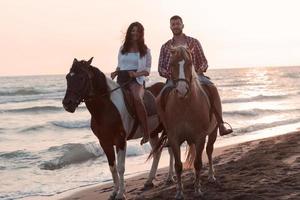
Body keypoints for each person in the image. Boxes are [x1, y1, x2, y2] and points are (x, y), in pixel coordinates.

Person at [158, 15, 232, 136]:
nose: (175, 26)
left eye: (178, 24)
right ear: (170, 27)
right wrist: (175, 76)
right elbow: (160, 68)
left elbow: (204, 61)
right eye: (173, 24)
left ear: (182, 25)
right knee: (159, 99)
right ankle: (167, 130)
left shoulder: (194, 42)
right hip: (174, 79)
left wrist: (197, 71)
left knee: (213, 89)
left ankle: (220, 124)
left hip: (196, 76)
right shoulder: (165, 47)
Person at [111, 22, 152, 145]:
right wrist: (115, 72)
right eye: (133, 31)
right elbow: (120, 65)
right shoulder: (122, 49)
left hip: (136, 80)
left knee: (136, 98)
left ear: (141, 34)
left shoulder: (145, 51)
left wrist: (136, 75)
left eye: (137, 31)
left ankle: (146, 132)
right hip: (122, 78)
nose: (135, 33)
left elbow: (147, 71)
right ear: (129, 32)